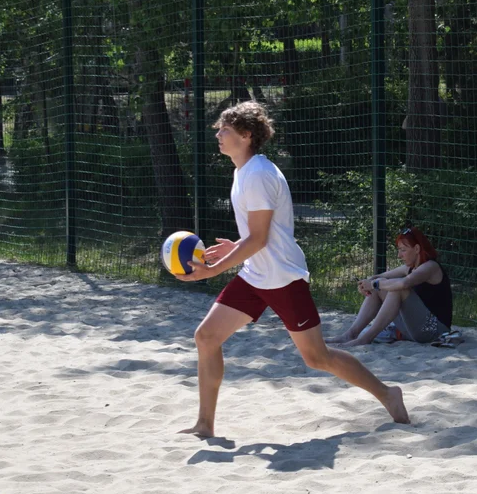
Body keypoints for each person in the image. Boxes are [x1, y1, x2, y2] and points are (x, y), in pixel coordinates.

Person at [172, 101, 409, 438]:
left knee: (317, 357)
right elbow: (255, 237)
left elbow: (259, 238)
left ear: (246, 135)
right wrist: (235, 249)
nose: (218, 134)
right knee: (206, 337)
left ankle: (388, 394)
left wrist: (215, 269)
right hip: (255, 275)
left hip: (282, 277)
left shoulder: (257, 174)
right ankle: (205, 424)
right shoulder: (243, 171)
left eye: (225, 129)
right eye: (219, 129)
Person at [326, 226, 453, 346]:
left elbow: (404, 283)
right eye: (399, 250)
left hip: (434, 331)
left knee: (396, 288)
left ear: (417, 249)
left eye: (403, 250)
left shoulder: (430, 267)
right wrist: (366, 283)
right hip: (413, 330)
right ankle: (350, 335)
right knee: (380, 285)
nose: (399, 255)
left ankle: (365, 339)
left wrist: (374, 284)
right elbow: (381, 277)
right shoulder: (410, 268)